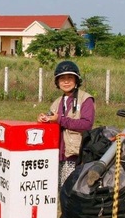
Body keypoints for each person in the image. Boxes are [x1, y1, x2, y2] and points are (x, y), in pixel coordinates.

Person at [37, 60, 95, 192]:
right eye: (62, 79)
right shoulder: (57, 102)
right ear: (57, 82)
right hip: (57, 154)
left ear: (76, 80)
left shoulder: (86, 99)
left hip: (76, 155)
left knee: (72, 191)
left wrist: (60, 120)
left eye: (70, 78)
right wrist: (43, 119)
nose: (66, 82)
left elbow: (86, 124)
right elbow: (52, 120)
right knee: (59, 190)